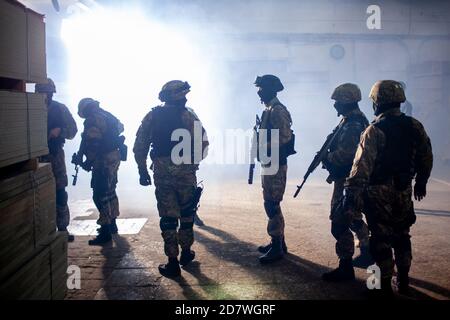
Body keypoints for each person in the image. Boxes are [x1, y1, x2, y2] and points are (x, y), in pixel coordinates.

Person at [344, 80, 433, 296]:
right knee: (402, 234)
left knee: (380, 239)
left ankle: (380, 286)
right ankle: (403, 280)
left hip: (378, 193)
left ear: (378, 103)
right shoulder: (415, 126)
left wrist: (351, 194)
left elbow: (361, 168)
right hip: (404, 190)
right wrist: (421, 181)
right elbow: (426, 155)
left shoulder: (373, 131)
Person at [133, 80, 209, 277]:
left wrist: (143, 170)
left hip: (162, 175)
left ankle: (172, 261)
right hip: (186, 175)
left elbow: (140, 146)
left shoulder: (152, 116)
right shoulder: (189, 116)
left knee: (168, 218)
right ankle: (186, 253)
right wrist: (190, 163)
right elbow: (203, 145)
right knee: (186, 215)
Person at [321, 83, 373, 282]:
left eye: (337, 101)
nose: (335, 105)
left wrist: (327, 158)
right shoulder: (351, 120)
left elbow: (346, 156)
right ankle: (367, 250)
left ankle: (346, 266)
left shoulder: (352, 125)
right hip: (351, 180)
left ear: (346, 101)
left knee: (339, 222)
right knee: (352, 217)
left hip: (348, 181)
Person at [254, 74, 296, 264]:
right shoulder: (269, 109)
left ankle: (277, 246)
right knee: (270, 202)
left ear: (270, 90)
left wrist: (264, 146)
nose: (258, 92)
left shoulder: (277, 110)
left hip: (276, 163)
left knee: (272, 204)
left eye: (261, 88)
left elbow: (285, 137)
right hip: (269, 162)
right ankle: (278, 242)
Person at [76, 98, 125, 245]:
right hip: (114, 157)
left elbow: (93, 144)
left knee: (100, 194)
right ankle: (112, 224)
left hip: (102, 160)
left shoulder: (92, 120)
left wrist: (87, 162)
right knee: (110, 191)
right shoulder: (107, 115)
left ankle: (105, 231)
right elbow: (120, 127)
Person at [35, 78, 78, 242]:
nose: (45, 96)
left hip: (55, 156)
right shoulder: (30, 108)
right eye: (41, 93)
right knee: (39, 195)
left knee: (60, 193)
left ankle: (62, 228)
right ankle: (44, 230)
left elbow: (72, 130)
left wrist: (60, 131)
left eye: (47, 93)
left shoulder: (60, 109)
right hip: (35, 157)